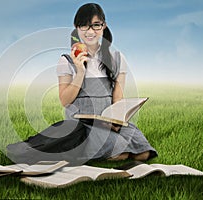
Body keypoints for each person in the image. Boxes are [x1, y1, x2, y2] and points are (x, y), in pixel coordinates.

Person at [56, 3, 157, 161]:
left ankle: (109, 141)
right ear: (77, 28)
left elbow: (117, 97)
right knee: (121, 154)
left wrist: (117, 119)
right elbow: (64, 100)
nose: (90, 31)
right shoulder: (67, 60)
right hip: (82, 125)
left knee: (144, 153)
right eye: (84, 26)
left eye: (96, 25)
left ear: (104, 26)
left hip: (109, 121)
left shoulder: (116, 59)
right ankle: (86, 148)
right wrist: (80, 71)